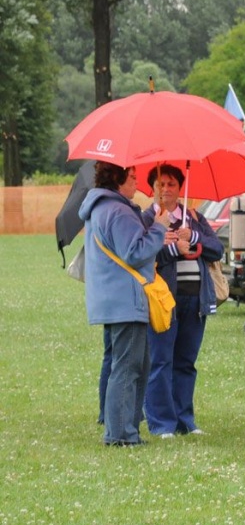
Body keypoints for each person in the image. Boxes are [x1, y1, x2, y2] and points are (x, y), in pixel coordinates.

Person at [79, 162, 170, 446]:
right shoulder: (117, 210)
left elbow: (127, 238)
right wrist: (158, 229)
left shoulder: (104, 207)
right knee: (128, 367)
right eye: (132, 177)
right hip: (125, 300)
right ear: (117, 179)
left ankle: (126, 428)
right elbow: (134, 251)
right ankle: (120, 434)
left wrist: (151, 216)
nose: (137, 182)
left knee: (135, 365)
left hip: (113, 298)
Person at [141, 164, 224, 438]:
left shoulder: (193, 216)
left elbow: (216, 249)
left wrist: (195, 237)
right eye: (160, 184)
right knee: (161, 361)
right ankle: (161, 423)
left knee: (186, 362)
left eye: (171, 185)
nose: (166, 189)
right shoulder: (147, 219)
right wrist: (174, 248)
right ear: (153, 188)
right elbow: (143, 258)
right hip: (164, 300)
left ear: (180, 188)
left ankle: (184, 420)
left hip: (194, 300)